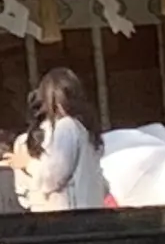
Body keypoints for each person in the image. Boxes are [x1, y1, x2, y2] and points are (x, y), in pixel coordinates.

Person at [17, 67, 104, 213]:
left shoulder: (66, 127)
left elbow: (52, 178)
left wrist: (28, 164)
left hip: (70, 214)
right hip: (91, 208)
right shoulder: (86, 129)